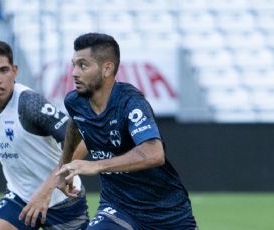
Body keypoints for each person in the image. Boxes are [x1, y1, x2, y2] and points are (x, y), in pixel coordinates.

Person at [56, 33, 198, 229]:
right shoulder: (74, 101)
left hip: (167, 212)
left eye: (83, 65)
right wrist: (64, 166)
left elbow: (154, 153)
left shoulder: (130, 103)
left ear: (107, 69)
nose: (74, 73)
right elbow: (76, 125)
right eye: (73, 65)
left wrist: (96, 166)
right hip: (117, 207)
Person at [0, 40, 89, 230]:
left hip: (62, 199)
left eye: (3, 70)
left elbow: (81, 144)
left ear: (15, 71)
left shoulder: (31, 105)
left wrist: (45, 191)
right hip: (19, 197)